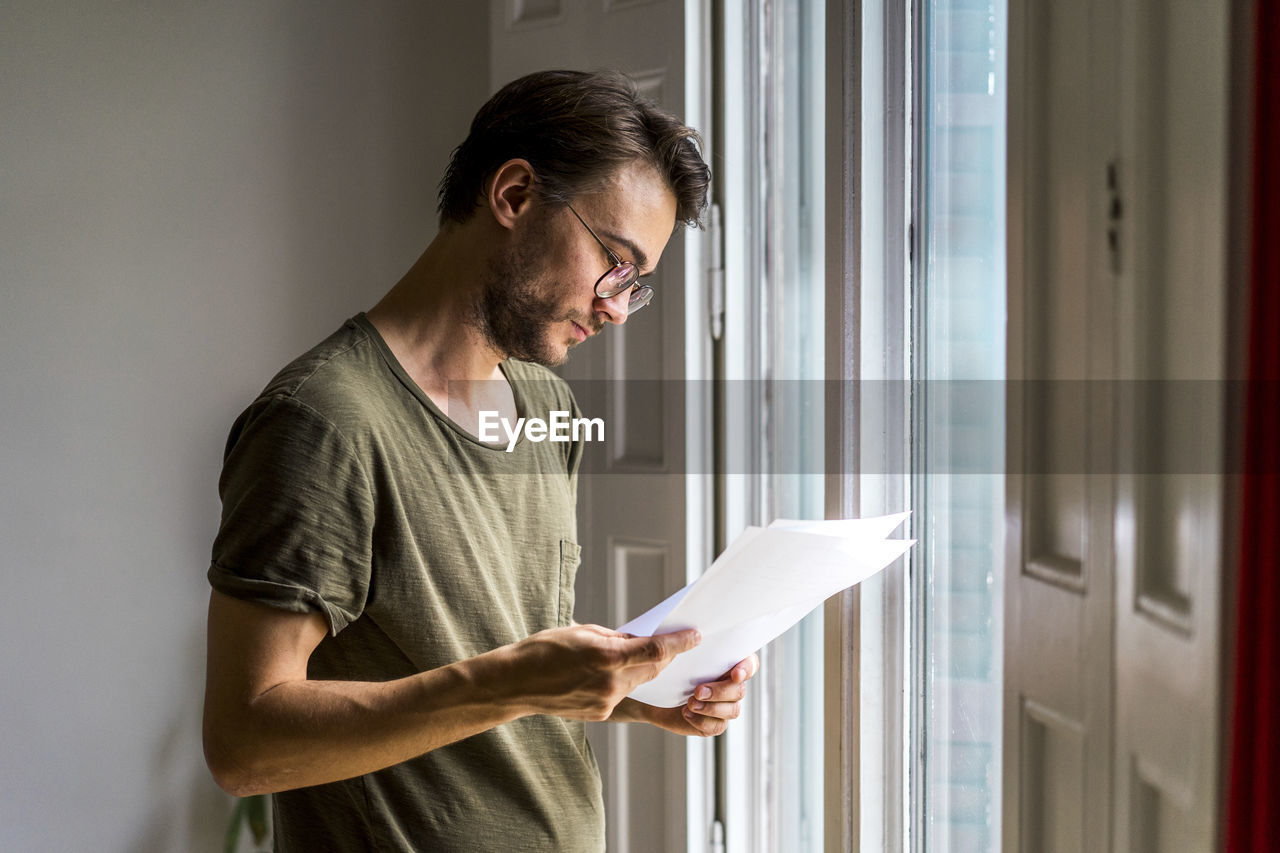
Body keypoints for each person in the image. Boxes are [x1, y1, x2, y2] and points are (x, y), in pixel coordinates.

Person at [202, 69, 759, 852]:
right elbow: (243, 744)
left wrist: (634, 691)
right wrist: (511, 682)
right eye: (615, 260)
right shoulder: (321, 421)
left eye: (638, 285)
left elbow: (492, 658)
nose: (615, 306)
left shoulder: (548, 407)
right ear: (515, 195)